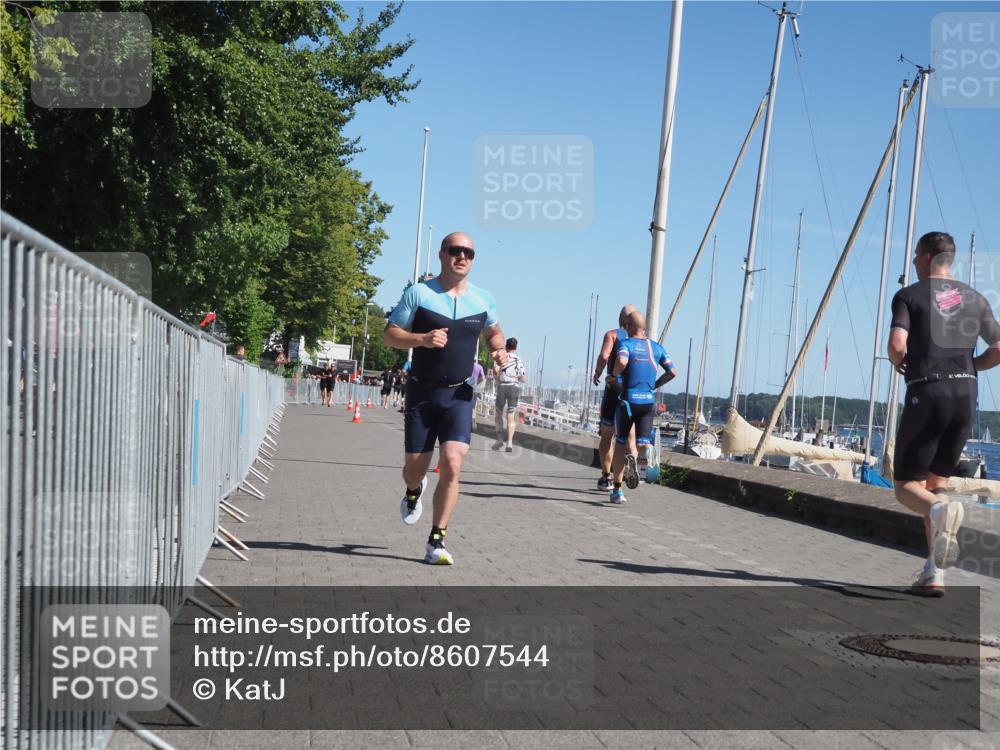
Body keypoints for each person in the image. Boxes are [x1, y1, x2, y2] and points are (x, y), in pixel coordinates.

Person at [383, 231, 507, 565]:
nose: (462, 256)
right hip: (423, 393)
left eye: (469, 252)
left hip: (460, 395)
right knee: (414, 469)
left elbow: (494, 334)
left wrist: (497, 353)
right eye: (456, 250)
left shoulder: (483, 300)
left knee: (452, 465)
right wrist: (422, 339)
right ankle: (413, 489)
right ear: (442, 254)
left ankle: (436, 540)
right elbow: (390, 335)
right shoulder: (419, 294)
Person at [888, 231, 1000, 596]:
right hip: (965, 395)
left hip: (928, 390)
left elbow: (896, 344)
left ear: (924, 258)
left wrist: (901, 362)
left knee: (907, 486)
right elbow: (998, 348)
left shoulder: (909, 295)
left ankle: (940, 512)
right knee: (937, 486)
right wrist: (972, 366)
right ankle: (933, 573)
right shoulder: (975, 298)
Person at [609, 311, 676, 503]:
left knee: (621, 443)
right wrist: (655, 385)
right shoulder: (657, 347)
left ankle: (617, 491)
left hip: (628, 401)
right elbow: (672, 372)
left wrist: (613, 376)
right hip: (648, 401)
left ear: (629, 326)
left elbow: (621, 361)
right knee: (641, 441)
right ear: (644, 327)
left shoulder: (626, 343)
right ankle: (647, 450)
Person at [592, 305, 639, 490]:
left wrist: (597, 372)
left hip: (614, 386)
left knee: (607, 435)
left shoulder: (612, 334)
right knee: (630, 435)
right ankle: (632, 459)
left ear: (620, 319)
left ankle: (606, 478)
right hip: (633, 390)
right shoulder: (641, 340)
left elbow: (604, 356)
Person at [491, 337, 526, 452]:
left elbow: (495, 373)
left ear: (506, 346)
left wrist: (498, 376)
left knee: (499, 414)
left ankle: (499, 438)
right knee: (511, 415)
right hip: (514, 387)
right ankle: (509, 443)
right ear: (516, 348)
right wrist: (516, 377)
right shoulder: (519, 360)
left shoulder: (501, 358)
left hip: (502, 386)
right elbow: (523, 378)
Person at [468, 357, 486, 433]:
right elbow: (483, 378)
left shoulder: (467, 365)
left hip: (465, 386)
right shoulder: (479, 367)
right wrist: (477, 382)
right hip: (473, 388)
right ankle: (472, 421)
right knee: (473, 406)